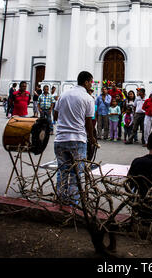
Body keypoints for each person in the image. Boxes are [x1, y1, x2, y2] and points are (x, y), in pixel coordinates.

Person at [53, 71, 96, 204]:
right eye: (91, 82)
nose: (91, 85)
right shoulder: (88, 98)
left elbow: (55, 116)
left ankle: (60, 198)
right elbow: (88, 122)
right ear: (86, 82)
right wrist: (92, 138)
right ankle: (73, 203)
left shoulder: (64, 95)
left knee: (62, 171)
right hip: (77, 139)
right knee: (76, 173)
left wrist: (66, 119)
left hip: (60, 139)